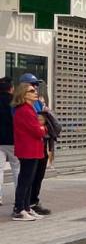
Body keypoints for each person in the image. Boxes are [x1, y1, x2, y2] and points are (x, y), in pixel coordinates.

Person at [11, 82, 46, 222]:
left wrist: (41, 128)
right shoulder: (25, 110)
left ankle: (26, 207)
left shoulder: (29, 109)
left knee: (29, 180)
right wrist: (43, 128)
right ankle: (20, 209)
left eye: (35, 90)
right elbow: (37, 130)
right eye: (31, 91)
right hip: (28, 150)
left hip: (32, 149)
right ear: (23, 94)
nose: (35, 92)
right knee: (25, 180)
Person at [0, 77, 16, 207]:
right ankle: (19, 196)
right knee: (17, 168)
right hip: (13, 140)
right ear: (11, 89)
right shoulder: (15, 102)